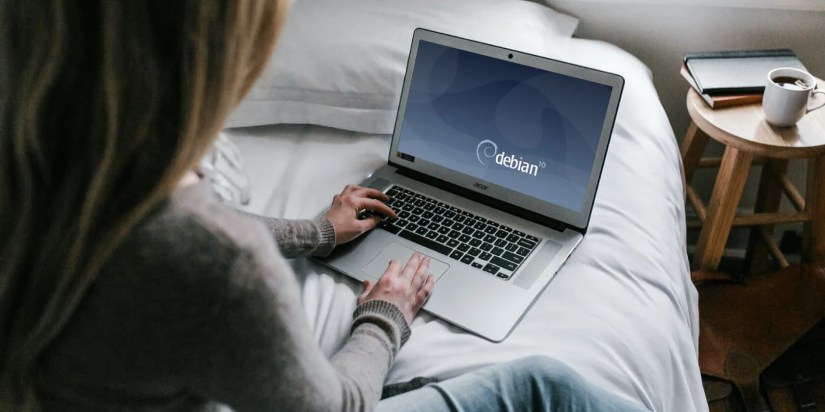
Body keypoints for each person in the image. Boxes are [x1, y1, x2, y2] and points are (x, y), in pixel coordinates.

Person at [0, 1, 647, 411]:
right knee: (540, 385)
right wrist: (385, 315)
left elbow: (149, 229)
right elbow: (337, 406)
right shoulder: (217, 264)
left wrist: (315, 231)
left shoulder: (42, 161)